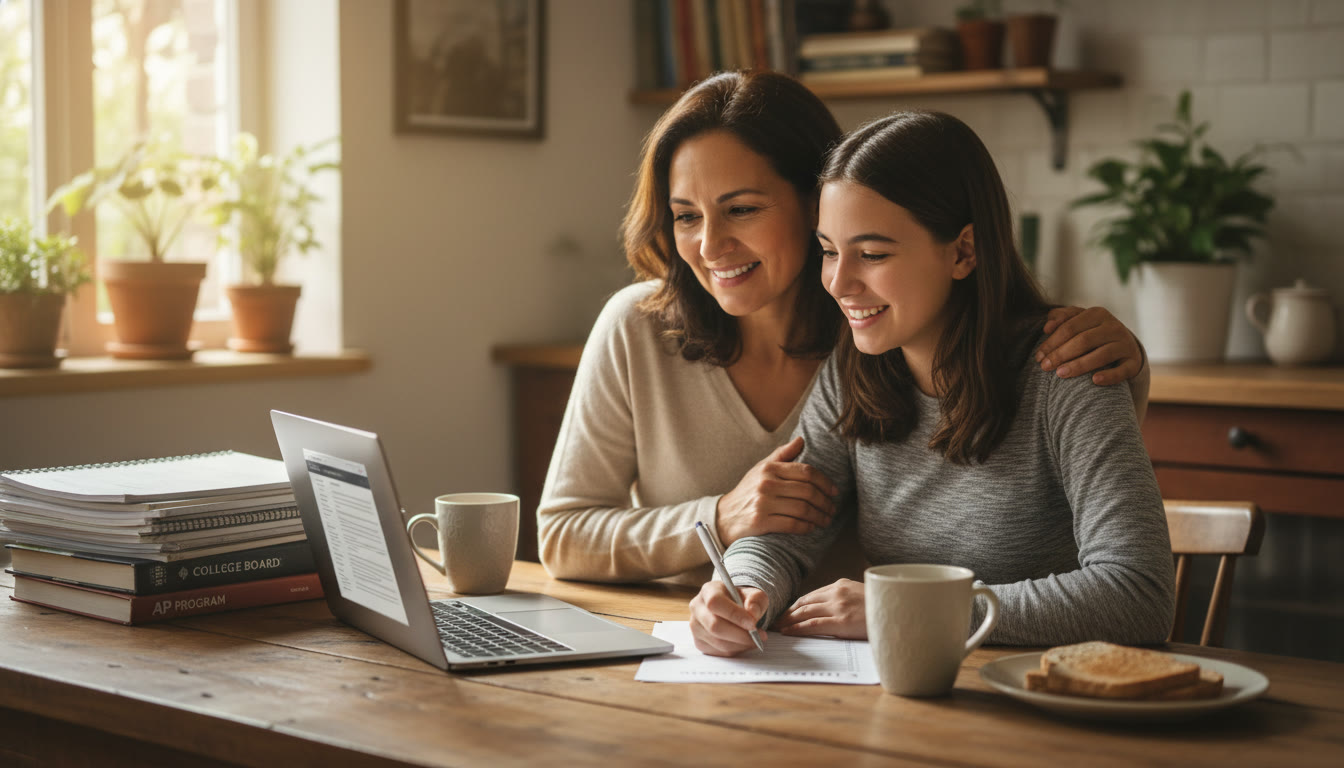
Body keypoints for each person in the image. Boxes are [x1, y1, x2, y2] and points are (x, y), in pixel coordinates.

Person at [538, 71, 1151, 588]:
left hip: (871, 651)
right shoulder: (640, 327)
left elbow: (1111, 553)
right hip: (715, 639)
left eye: (743, 209)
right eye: (684, 217)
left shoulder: (877, 333)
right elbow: (563, 535)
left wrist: (1129, 367)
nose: (710, 244)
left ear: (818, 204)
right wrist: (721, 524)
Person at [688, 110, 1175, 655]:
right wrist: (740, 590)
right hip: (916, 696)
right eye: (828, 250)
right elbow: (789, 528)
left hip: (1044, 702)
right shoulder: (853, 374)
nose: (839, 283)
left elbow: (1140, 594)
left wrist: (909, 610)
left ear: (963, 251)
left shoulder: (1068, 371)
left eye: (872, 254)